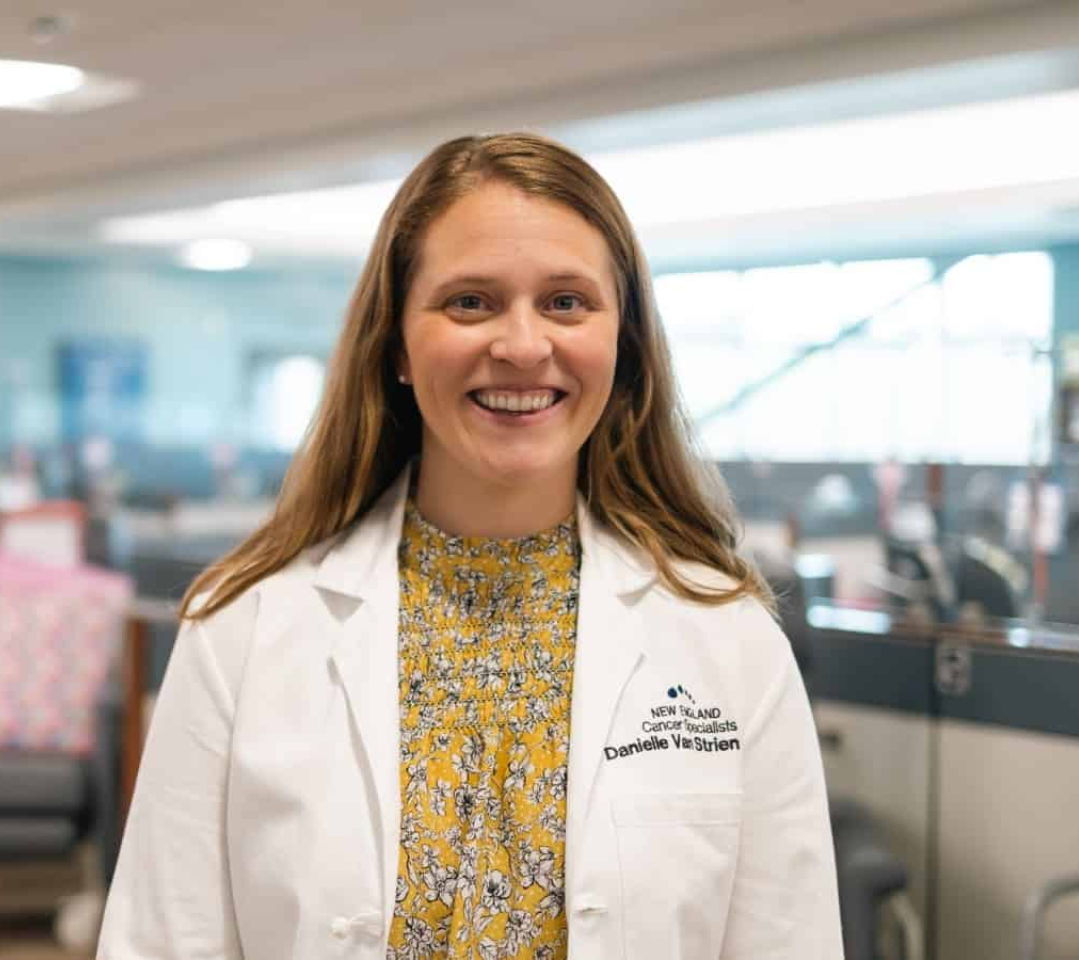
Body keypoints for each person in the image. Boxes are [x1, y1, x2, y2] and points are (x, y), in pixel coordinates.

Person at [98, 133, 841, 959]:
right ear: (397, 348)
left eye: (566, 302)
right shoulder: (241, 629)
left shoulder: (729, 640)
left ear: (622, 344)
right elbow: (163, 940)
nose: (523, 346)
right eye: (470, 302)